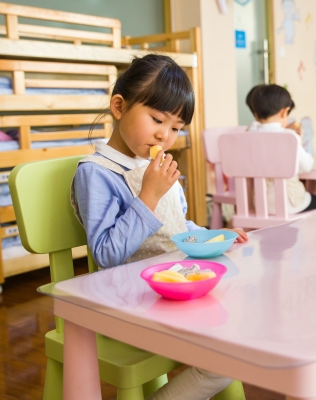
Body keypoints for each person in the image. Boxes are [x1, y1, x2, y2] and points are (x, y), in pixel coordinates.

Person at [72, 54, 247, 400]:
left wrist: (213, 235)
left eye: (176, 127)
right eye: (157, 119)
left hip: (174, 285)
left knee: (243, 322)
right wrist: (148, 195)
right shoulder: (96, 172)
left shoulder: (156, 165)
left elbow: (175, 228)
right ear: (120, 107)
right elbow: (106, 254)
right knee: (227, 357)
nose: (165, 136)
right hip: (131, 299)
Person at [247, 84, 316, 215]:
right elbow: (306, 166)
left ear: (255, 113)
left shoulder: (248, 136)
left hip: (260, 204)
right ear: (284, 112)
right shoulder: (289, 137)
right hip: (290, 204)